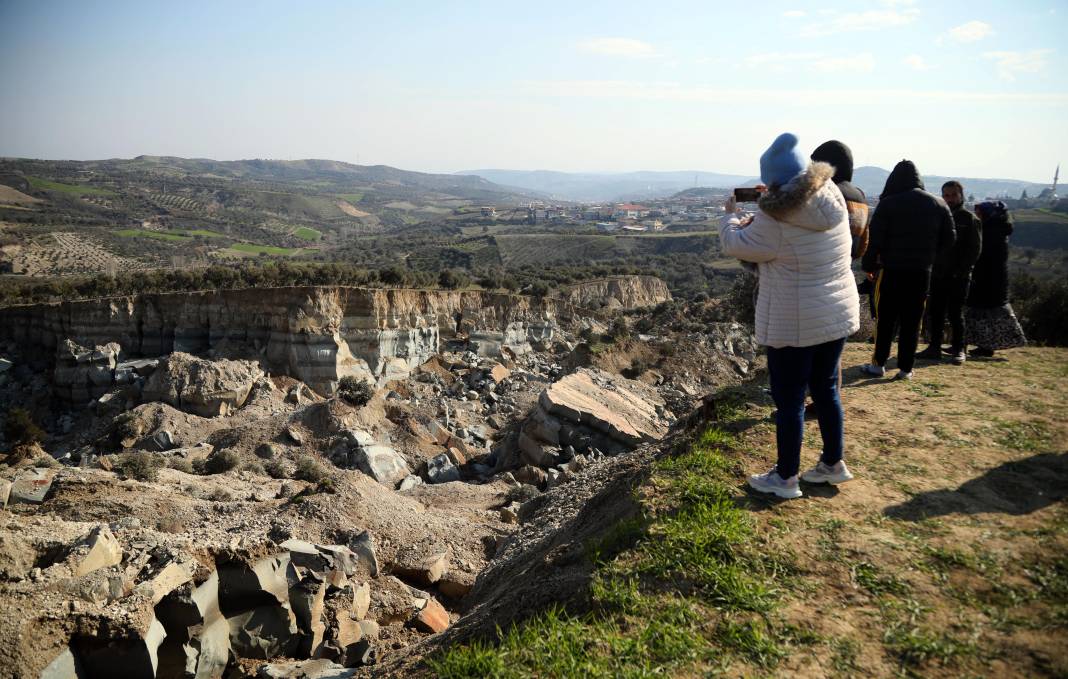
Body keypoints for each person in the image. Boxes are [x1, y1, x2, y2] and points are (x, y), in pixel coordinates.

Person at [720, 132, 860, 499]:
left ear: (778, 181)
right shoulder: (832, 196)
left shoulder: (776, 217)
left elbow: (737, 245)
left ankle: (785, 478)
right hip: (835, 313)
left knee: (790, 400)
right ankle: (833, 463)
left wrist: (730, 218)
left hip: (795, 320)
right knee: (827, 388)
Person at [860, 160, 955, 380]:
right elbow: (950, 239)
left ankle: (878, 364)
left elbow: (874, 240)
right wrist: (930, 257)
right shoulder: (939, 204)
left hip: (891, 271)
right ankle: (905, 368)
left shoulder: (889, 203)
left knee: (885, 319)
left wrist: (869, 266)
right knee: (913, 320)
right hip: (921, 272)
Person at [804, 140, 869, 417]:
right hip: (846, 272)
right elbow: (864, 241)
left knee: (815, 349)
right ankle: (827, 400)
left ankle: (819, 403)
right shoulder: (860, 196)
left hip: (819, 276)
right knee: (831, 349)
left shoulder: (829, 193)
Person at [916, 181, 982, 365]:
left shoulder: (969, 219)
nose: (949, 199)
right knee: (935, 312)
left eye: (953, 195)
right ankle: (934, 348)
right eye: (946, 195)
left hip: (959, 278)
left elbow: (974, 251)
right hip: (937, 275)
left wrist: (960, 271)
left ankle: (959, 349)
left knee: (955, 313)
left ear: (961, 195)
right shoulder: (939, 216)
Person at [964, 201, 1026, 356]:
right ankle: (982, 345)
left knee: (988, 311)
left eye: (979, 213)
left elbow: (984, 255)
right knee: (981, 310)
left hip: (990, 278)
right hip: (990, 277)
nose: (976, 215)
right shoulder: (995, 229)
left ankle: (986, 346)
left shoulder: (992, 232)